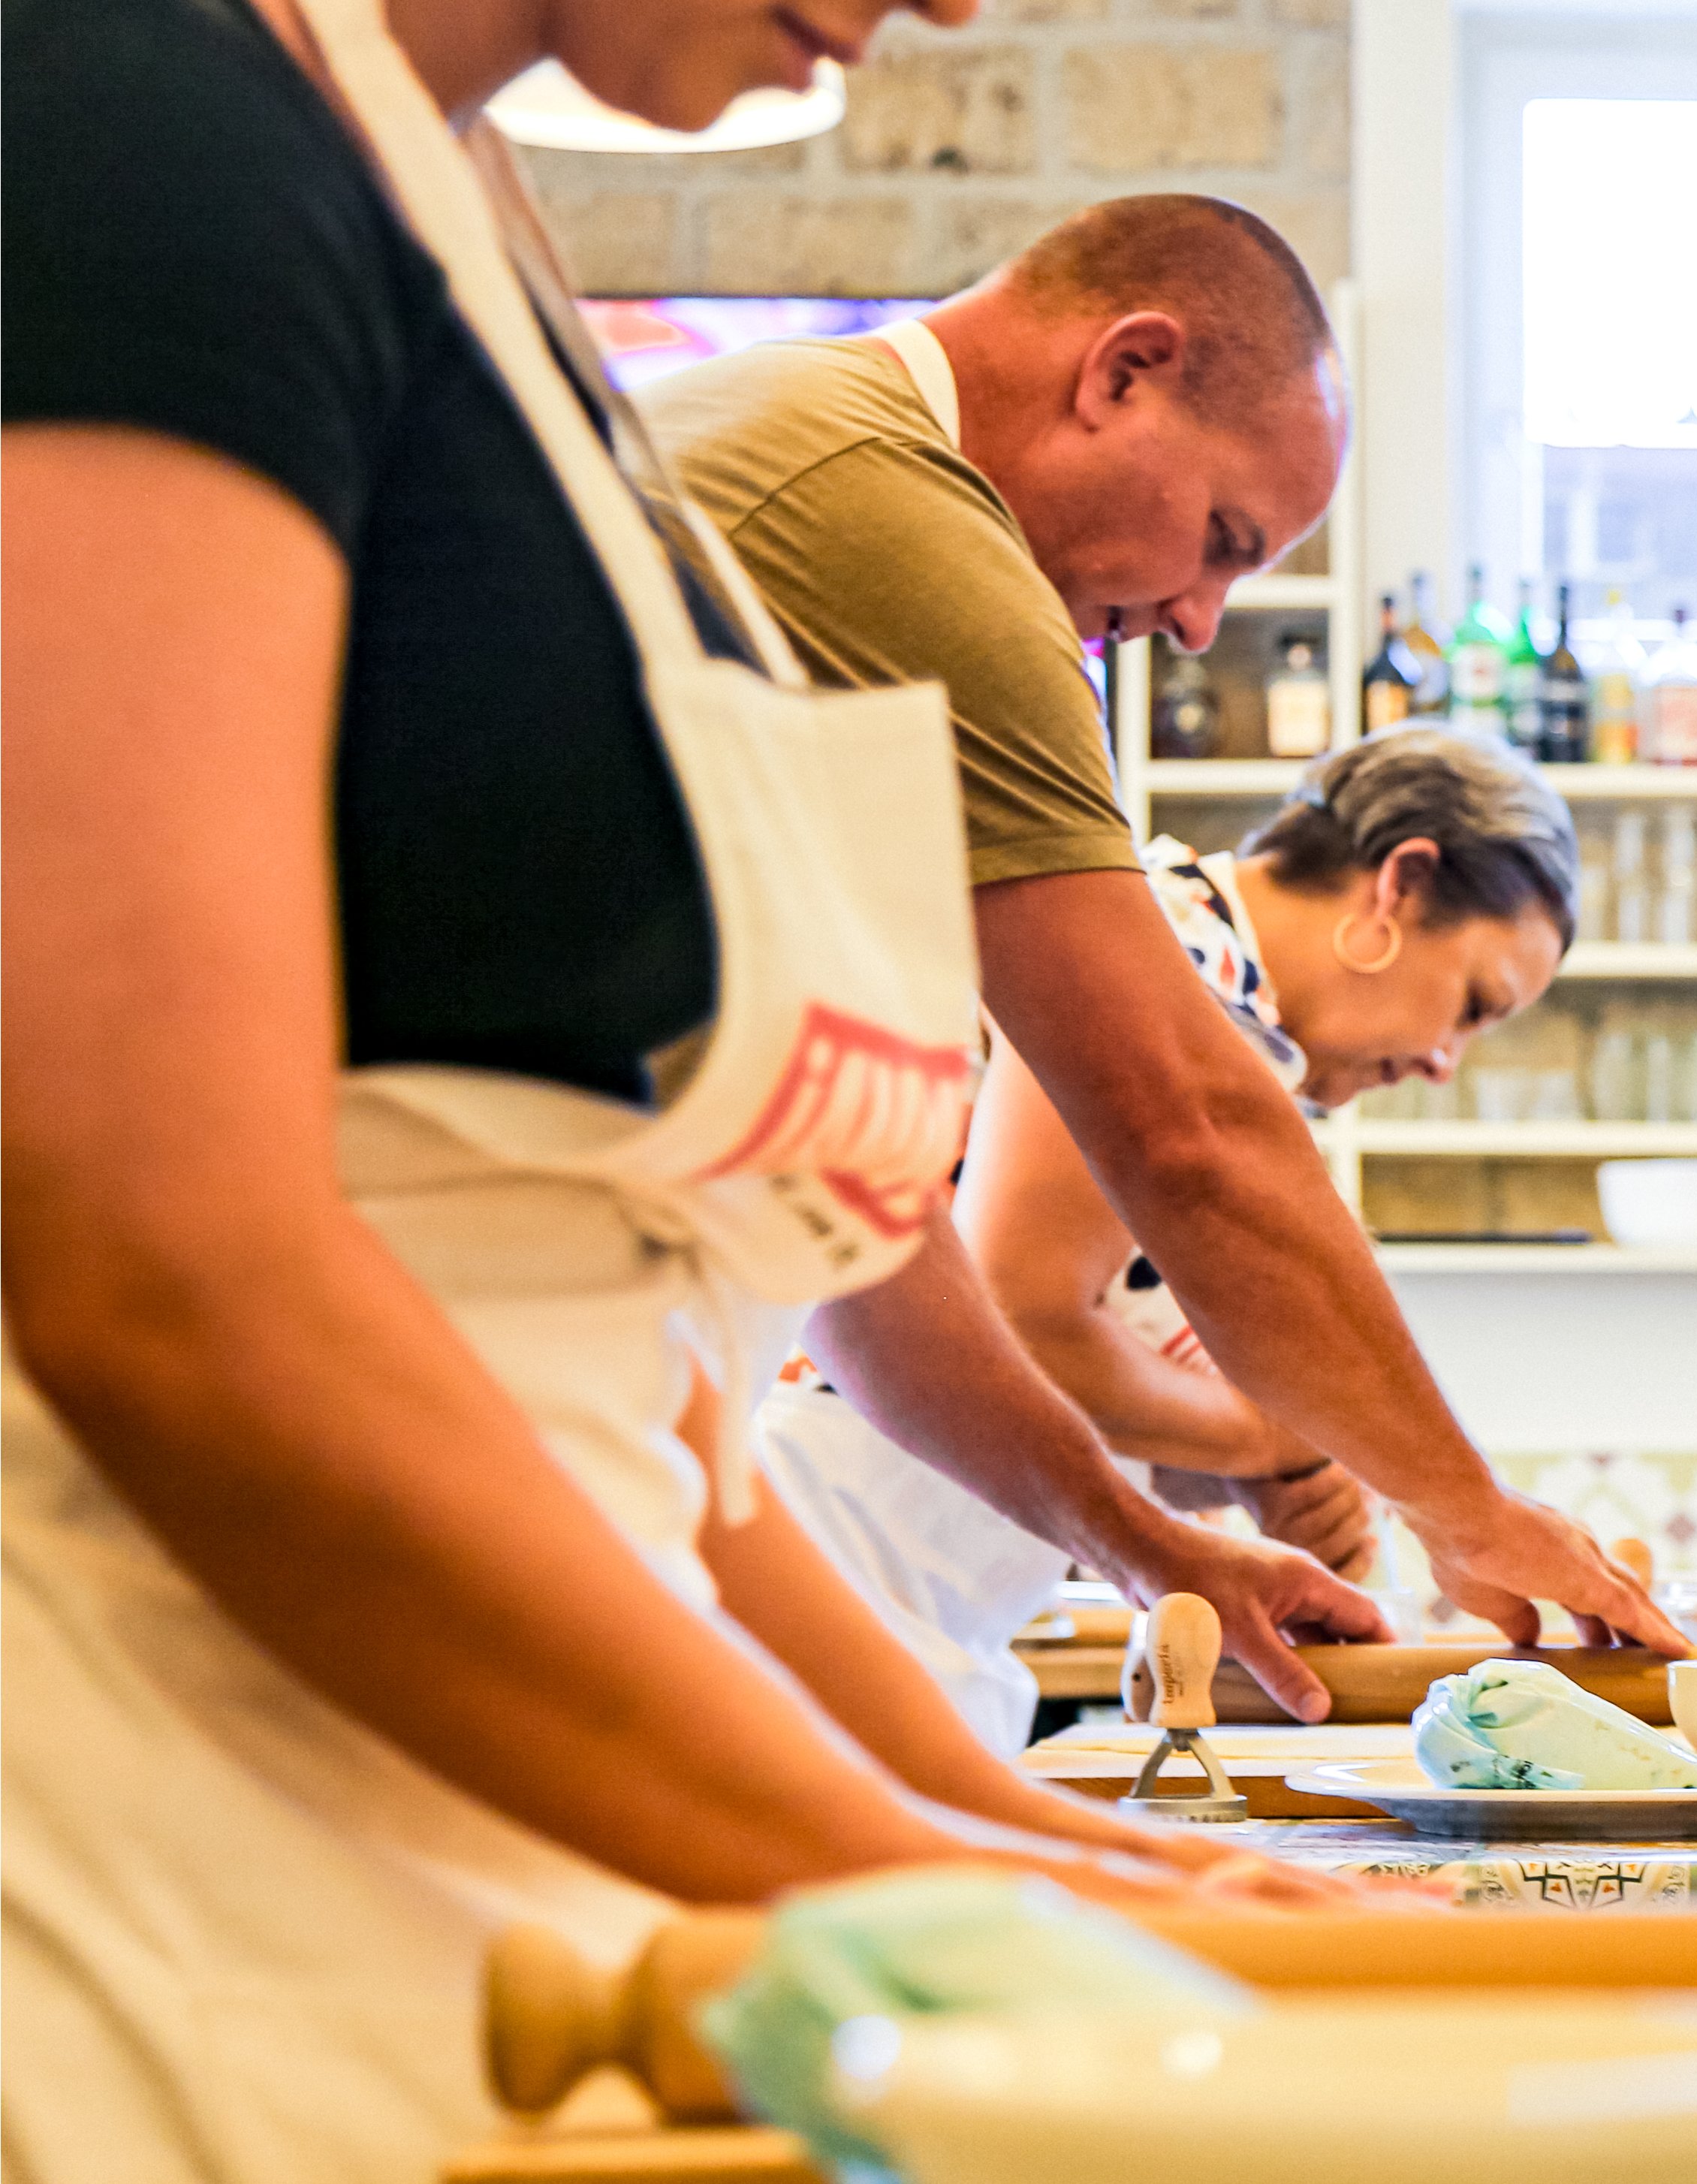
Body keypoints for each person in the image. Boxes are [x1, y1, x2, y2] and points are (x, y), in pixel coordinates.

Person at [0, 0, 1360, 2175]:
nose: (949, 12)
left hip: (511, 1823)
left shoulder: (459, 224)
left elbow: (678, 1423)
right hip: (209, 1808)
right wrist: (900, 1857)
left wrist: (1030, 1835)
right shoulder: (132, 124)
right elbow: (163, 1261)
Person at [640, 198, 1677, 1698]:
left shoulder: (825, 473)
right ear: (1124, 370)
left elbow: (854, 1235)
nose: (1196, 623)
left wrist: (1142, 1542)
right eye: (1221, 542)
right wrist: (1464, 1508)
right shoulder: (906, 532)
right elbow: (1183, 1131)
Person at [766, 728, 1579, 1748]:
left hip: (915, 1566)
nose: (1444, 1063)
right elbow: (1016, 1317)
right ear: (1400, 886)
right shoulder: (1165, 964)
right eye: (1471, 1004)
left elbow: (1051, 1376)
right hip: (841, 1542)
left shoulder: (1223, 1005)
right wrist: (1270, 1437)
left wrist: (1235, 1470)